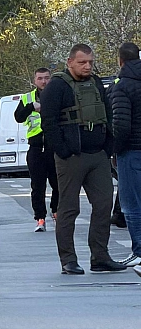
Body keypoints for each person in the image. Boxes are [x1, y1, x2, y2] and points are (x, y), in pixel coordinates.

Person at [40, 43, 126, 275]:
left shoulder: (96, 82)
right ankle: (68, 260)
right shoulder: (57, 86)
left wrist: (108, 146)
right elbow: (48, 122)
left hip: (98, 155)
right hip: (71, 157)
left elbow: (108, 113)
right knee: (69, 208)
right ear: (70, 62)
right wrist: (63, 150)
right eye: (82, 62)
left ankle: (100, 257)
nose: (87, 66)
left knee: (104, 205)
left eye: (90, 62)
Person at [14, 67, 59, 232]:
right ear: (35, 81)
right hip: (36, 147)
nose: (44, 81)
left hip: (54, 147)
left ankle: (56, 212)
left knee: (58, 184)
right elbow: (18, 117)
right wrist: (31, 107)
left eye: (46, 78)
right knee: (37, 186)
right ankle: (40, 218)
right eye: (40, 78)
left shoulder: (57, 95)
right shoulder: (28, 98)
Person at [111, 42, 141, 274]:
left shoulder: (122, 86)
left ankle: (139, 251)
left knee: (131, 204)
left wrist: (114, 150)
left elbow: (121, 124)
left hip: (131, 150)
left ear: (120, 60)